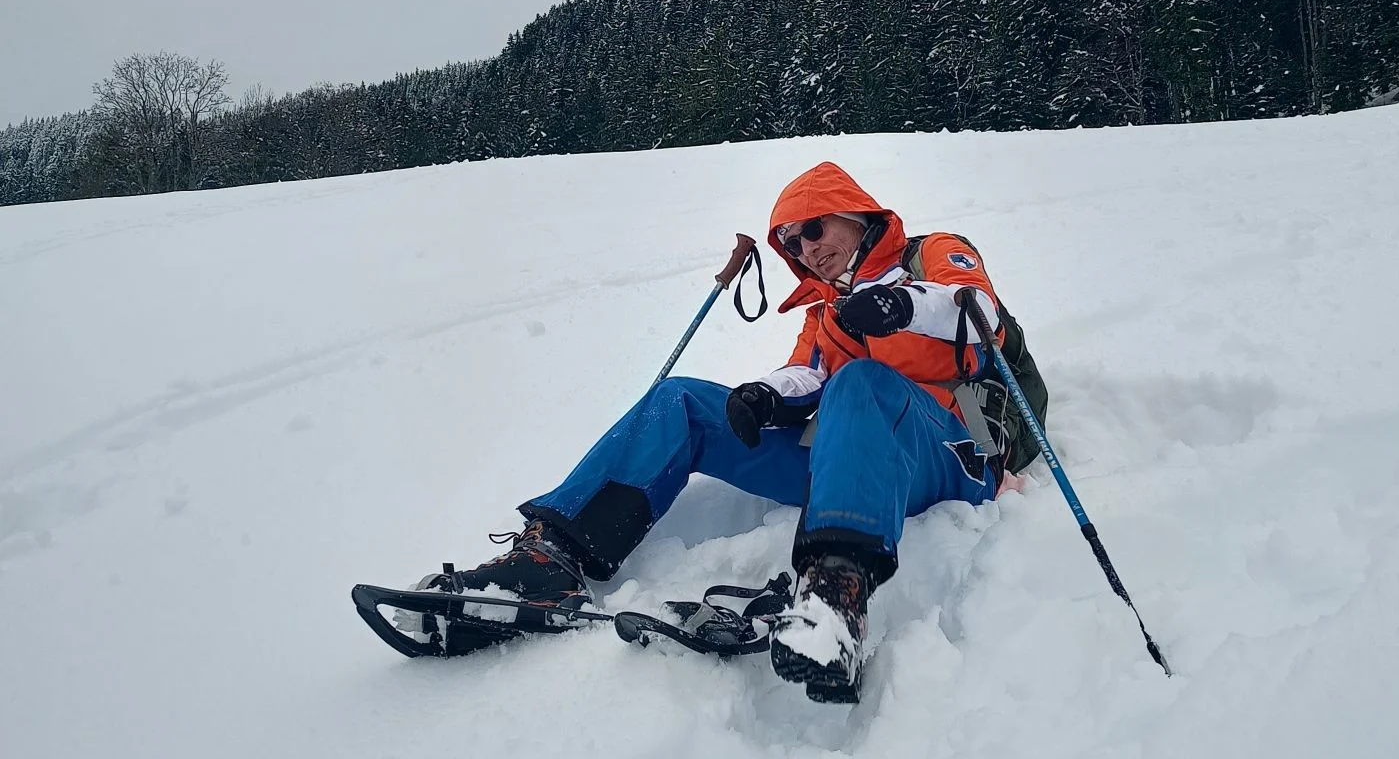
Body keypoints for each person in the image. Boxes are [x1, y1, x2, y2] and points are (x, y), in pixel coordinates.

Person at [433, 161, 1047, 701]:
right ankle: (551, 556)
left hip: (954, 452)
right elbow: (807, 374)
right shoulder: (827, 311)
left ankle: (835, 599)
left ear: (855, 214)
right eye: (792, 243)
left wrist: (904, 305)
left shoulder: (932, 254)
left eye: (814, 229)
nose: (806, 250)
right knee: (681, 400)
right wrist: (765, 395)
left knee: (861, 381)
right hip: (851, 463)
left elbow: (980, 312)